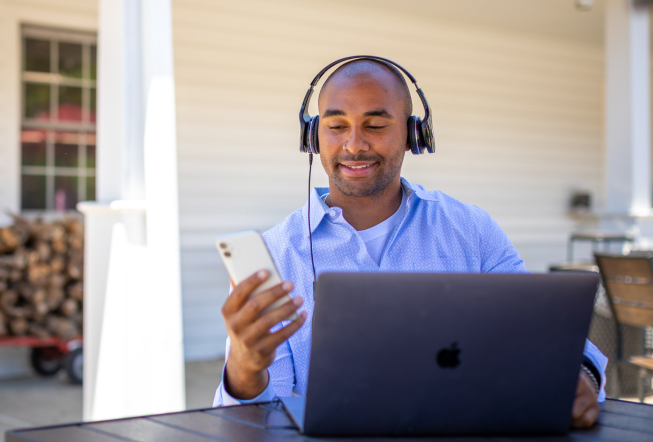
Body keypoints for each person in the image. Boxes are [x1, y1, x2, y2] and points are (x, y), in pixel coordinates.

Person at [213, 58, 607, 429]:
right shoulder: (276, 254)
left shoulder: (471, 229)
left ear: (413, 135)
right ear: (313, 136)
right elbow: (258, 421)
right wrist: (245, 367)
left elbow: (545, 335)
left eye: (375, 125)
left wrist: (581, 376)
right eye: (336, 126)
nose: (353, 144)